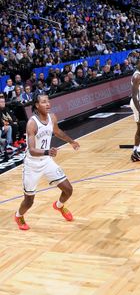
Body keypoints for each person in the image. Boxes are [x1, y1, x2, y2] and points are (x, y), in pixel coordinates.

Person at [13, 93, 80, 231]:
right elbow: (31, 150)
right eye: (44, 102)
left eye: (48, 101)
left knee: (68, 190)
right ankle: (19, 215)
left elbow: (57, 131)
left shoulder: (52, 117)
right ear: (37, 105)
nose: (48, 104)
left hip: (47, 161)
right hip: (32, 164)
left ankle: (59, 206)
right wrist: (47, 151)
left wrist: (71, 141)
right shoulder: (32, 123)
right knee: (29, 201)